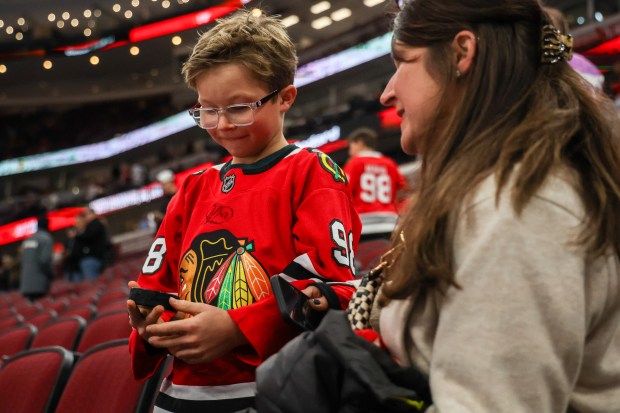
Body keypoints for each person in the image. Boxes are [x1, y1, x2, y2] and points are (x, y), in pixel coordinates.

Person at [374, 0, 620, 412]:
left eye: (404, 61)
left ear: (461, 53)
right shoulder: (515, 190)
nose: (387, 92)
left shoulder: (518, 207)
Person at [127, 9, 361, 412]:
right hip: (180, 393)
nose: (221, 125)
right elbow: (157, 283)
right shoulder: (194, 185)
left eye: (238, 108)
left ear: (286, 96)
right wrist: (150, 325)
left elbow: (333, 286)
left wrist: (238, 328)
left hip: (273, 388)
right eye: (207, 110)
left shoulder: (311, 172)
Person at [343, 127, 408, 238]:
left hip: (364, 226)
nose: (350, 151)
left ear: (360, 143)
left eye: (351, 146)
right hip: (390, 224)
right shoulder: (390, 164)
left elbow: (343, 192)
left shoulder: (354, 163)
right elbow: (404, 192)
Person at [20, 215, 54, 301]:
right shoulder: (46, 238)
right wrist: (51, 274)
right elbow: (45, 260)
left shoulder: (27, 240)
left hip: (26, 283)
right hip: (40, 281)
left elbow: (23, 260)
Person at [74, 207, 110, 280]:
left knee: (92, 284)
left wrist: (77, 235)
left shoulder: (95, 224)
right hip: (95, 258)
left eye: (87, 215)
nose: (86, 217)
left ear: (93, 214)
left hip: (93, 258)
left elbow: (87, 236)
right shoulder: (93, 225)